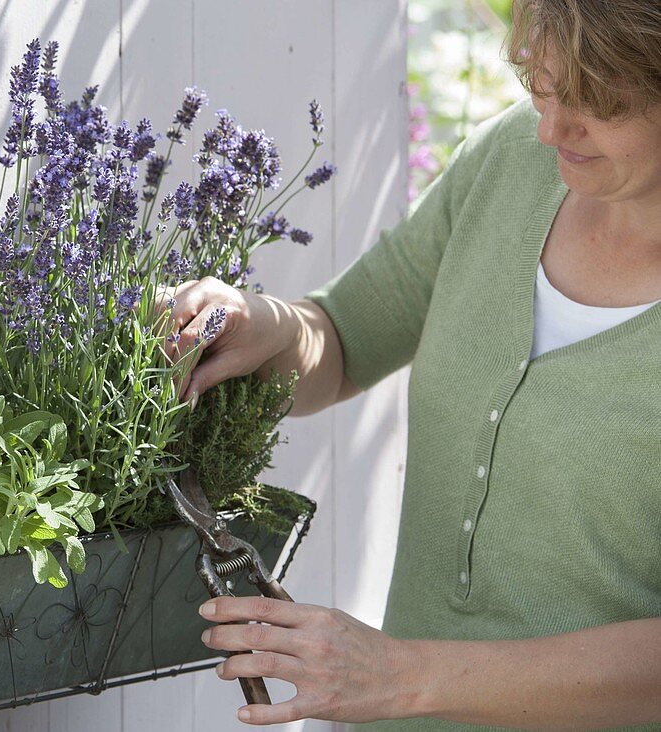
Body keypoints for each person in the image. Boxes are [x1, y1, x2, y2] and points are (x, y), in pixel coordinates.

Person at [165, 0, 661, 727]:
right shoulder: (511, 162)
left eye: (601, 103)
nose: (552, 128)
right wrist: (265, 325)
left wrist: (406, 677)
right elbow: (341, 339)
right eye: (544, 86)